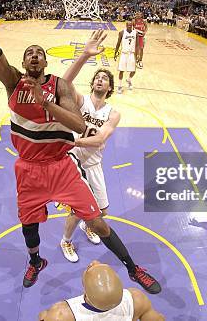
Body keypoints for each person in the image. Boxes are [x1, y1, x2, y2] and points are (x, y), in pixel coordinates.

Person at [0, 0, 160, 294]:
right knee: (29, 224)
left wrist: (47, 104)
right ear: (23, 62)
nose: (34, 55)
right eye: (29, 53)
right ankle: (35, 261)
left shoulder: (59, 85)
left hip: (61, 167)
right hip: (28, 168)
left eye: (39, 53)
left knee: (98, 222)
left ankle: (132, 267)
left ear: (45, 62)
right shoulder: (12, 82)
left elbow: (78, 123)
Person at [57, 39, 121, 263]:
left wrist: (77, 142)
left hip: (93, 164)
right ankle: (65, 240)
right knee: (77, 209)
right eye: (97, 77)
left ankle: (88, 224)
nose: (100, 80)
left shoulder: (113, 113)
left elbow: (101, 138)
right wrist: (84, 55)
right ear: (92, 83)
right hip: (74, 163)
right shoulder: (80, 102)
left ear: (110, 87)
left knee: (103, 211)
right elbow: (64, 83)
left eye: (104, 78)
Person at [38, 261, 165, 321]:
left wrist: (44, 316)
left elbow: (44, 317)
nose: (94, 262)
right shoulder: (137, 299)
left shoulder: (61, 314)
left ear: (86, 289)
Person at [114, 22, 139, 95]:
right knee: (121, 70)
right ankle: (119, 86)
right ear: (126, 25)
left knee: (133, 70)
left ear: (132, 26)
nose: (129, 26)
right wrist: (115, 52)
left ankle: (129, 80)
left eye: (130, 25)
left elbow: (137, 45)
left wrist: (137, 54)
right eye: (128, 25)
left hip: (131, 53)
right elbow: (118, 43)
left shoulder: (135, 33)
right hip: (123, 54)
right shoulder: (122, 32)